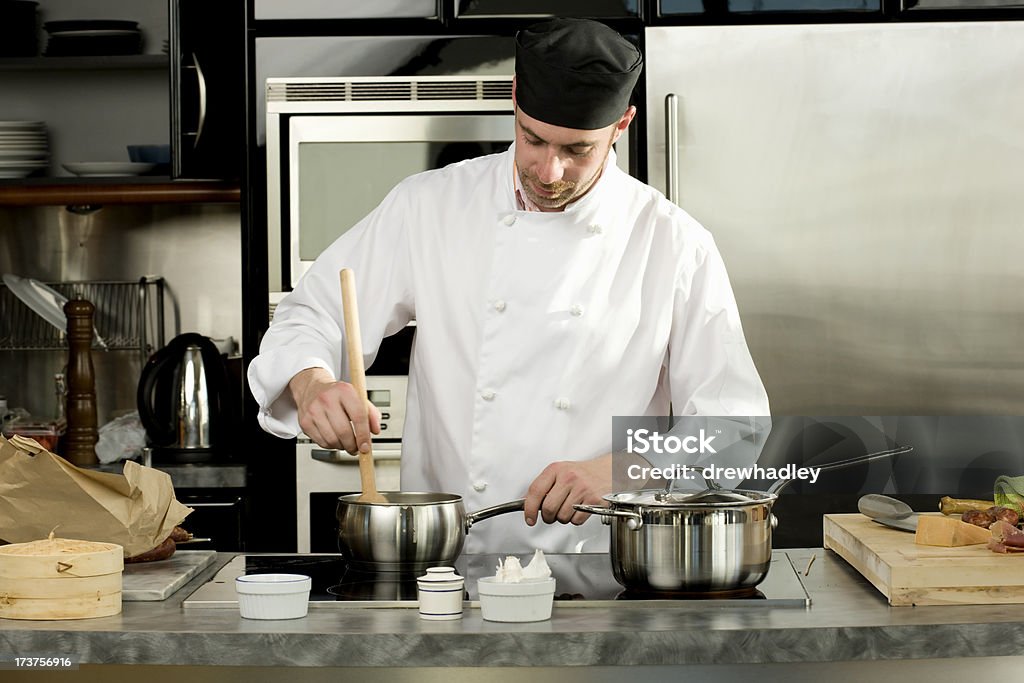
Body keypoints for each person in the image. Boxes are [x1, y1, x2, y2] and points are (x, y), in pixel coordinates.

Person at [248, 17, 770, 555]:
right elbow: (314, 312)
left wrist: (624, 467)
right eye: (533, 139)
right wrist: (311, 384)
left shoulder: (673, 242)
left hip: (601, 575)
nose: (549, 171)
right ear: (515, 99)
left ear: (622, 125)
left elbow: (734, 427)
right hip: (449, 570)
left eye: (578, 151)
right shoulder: (430, 205)